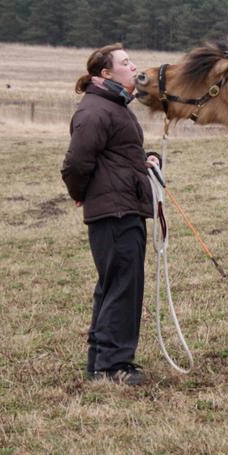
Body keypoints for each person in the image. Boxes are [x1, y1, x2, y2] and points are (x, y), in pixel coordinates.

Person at [61, 43, 160, 385]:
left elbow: (115, 155)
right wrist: (80, 194)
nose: (134, 67)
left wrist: (145, 160)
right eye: (126, 63)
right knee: (122, 286)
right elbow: (75, 163)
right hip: (115, 211)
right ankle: (113, 366)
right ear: (106, 74)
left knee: (115, 284)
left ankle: (100, 363)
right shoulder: (95, 111)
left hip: (122, 206)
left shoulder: (114, 107)